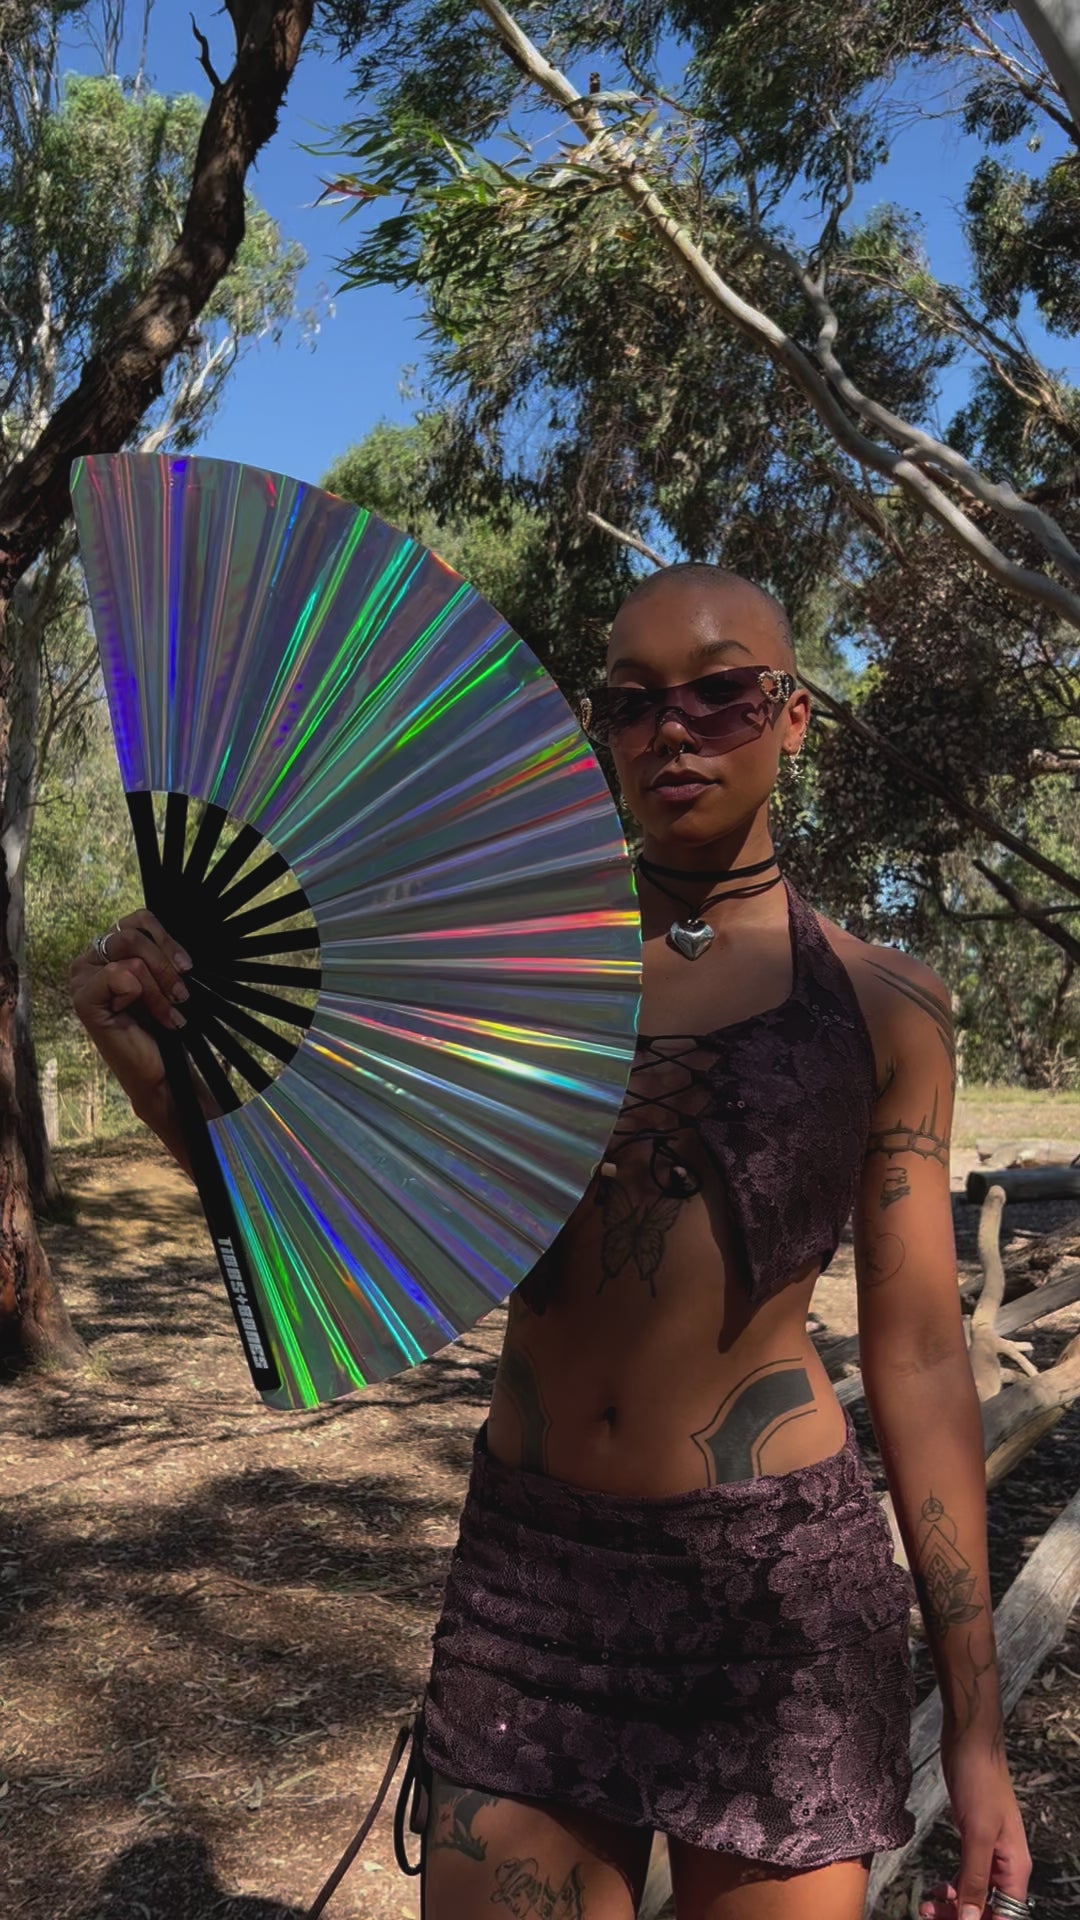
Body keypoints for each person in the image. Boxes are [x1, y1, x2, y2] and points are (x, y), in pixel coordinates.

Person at [70, 563, 1032, 1920]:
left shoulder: (888, 1008)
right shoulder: (509, 985)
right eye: (632, 703)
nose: (673, 729)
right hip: (534, 1584)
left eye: (720, 692)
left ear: (793, 714)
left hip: (778, 1606)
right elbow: (357, 1233)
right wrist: (164, 1085)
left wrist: (976, 1735)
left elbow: (923, 1356)